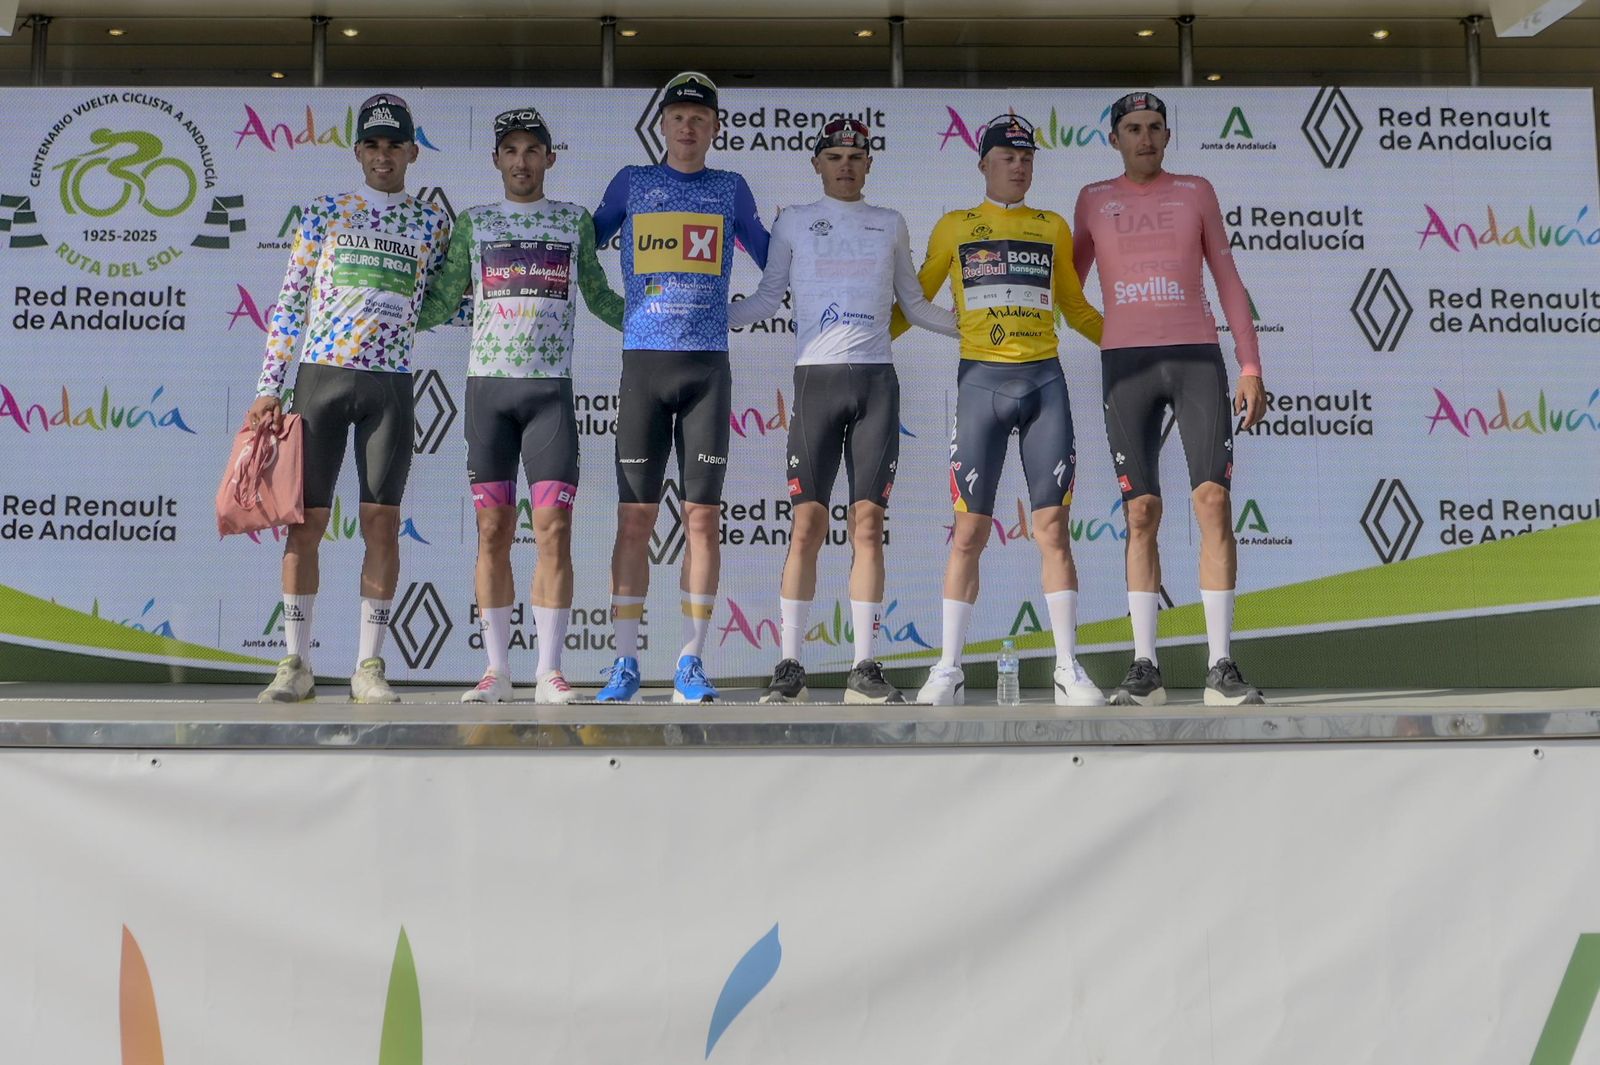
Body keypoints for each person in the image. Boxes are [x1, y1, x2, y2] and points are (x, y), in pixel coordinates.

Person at [728, 119, 958, 704]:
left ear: (869, 164)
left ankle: (864, 666)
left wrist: (982, 328)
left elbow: (916, 304)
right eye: (834, 156)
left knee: (868, 527)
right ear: (817, 164)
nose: (846, 166)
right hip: (815, 383)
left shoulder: (890, 223)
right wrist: (706, 315)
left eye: (856, 156)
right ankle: (789, 665)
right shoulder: (794, 221)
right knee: (806, 525)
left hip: (878, 382)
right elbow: (763, 298)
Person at [248, 93, 452, 705]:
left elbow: (447, 302)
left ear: (413, 152)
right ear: (358, 152)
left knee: (381, 523)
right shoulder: (323, 213)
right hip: (320, 379)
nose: (384, 155)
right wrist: (268, 387)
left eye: (395, 145)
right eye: (373, 145)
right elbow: (290, 302)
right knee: (304, 522)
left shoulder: (432, 223)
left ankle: (369, 665)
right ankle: (295, 663)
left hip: (389, 383)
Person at [415, 107, 624, 705]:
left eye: (534, 150)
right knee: (492, 531)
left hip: (548, 394)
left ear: (551, 158)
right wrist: (382, 310)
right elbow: (442, 300)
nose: (523, 161)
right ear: (497, 160)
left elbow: (602, 298)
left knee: (554, 530)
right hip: (488, 392)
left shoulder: (573, 221)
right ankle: (497, 669)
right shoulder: (474, 223)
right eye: (512, 150)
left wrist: (653, 314)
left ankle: (549, 670)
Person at [902, 114, 1107, 707]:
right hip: (980, 386)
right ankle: (948, 668)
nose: (1019, 166)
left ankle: (1068, 666)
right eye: (1007, 157)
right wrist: (868, 340)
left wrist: (1133, 340)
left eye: (1027, 158)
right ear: (984, 164)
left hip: (1045, 382)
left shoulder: (1052, 227)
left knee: (1053, 530)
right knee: (968, 531)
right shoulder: (954, 227)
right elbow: (916, 301)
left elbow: (1076, 308)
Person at [1072, 91, 1268, 707]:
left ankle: (1221, 666)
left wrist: (1251, 366)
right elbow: (1065, 287)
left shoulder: (1196, 191)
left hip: (1194, 358)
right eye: (1132, 128)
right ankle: (1145, 668)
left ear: (1167, 135)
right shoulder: (1093, 199)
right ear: (1114, 139)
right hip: (1125, 364)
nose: (1146, 138)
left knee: (1212, 500)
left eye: (1156, 127)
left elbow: (1228, 279)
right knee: (1140, 513)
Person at [589, 72, 770, 703]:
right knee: (633, 520)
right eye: (677, 117)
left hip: (706, 370)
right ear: (661, 125)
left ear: (716, 127)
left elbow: (773, 256)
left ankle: (692, 660)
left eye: (699, 117)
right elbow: (580, 247)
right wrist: (613, 307)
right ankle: (625, 663)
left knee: (703, 520)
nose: (688, 126)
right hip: (644, 363)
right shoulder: (631, 183)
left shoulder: (730, 188)